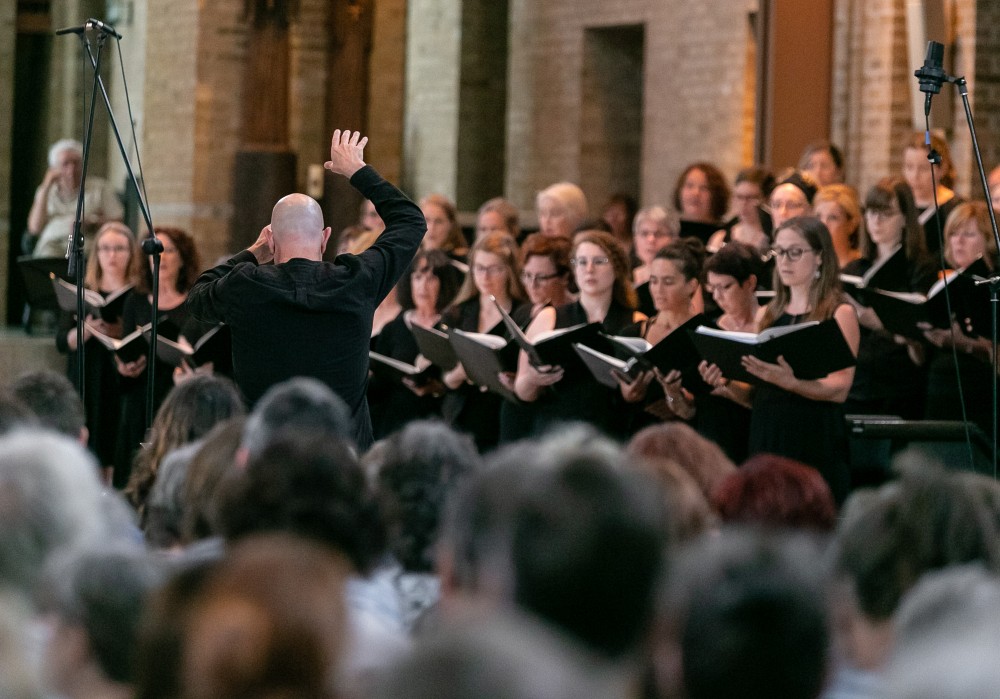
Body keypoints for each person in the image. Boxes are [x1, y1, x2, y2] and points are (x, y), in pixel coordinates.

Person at [187, 130, 426, 451]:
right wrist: (357, 170)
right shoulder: (357, 280)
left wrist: (254, 253)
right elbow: (410, 221)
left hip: (266, 457)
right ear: (325, 237)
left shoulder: (246, 285)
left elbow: (198, 297)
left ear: (271, 240)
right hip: (344, 457)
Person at [700, 216, 860, 504]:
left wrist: (791, 382)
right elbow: (757, 393)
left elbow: (839, 388)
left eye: (795, 252)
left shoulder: (839, 313)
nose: (784, 261)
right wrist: (725, 385)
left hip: (812, 436)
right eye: (779, 251)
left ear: (820, 257)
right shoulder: (770, 314)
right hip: (768, 432)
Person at [514, 229, 644, 440]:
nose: (589, 269)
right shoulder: (549, 318)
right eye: (582, 262)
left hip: (614, 433)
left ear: (617, 268)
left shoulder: (637, 321)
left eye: (599, 261)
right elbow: (522, 390)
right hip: (557, 433)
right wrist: (534, 379)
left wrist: (632, 394)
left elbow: (643, 394)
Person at [115, 226, 202, 487]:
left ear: (183, 258)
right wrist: (123, 366)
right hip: (140, 397)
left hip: (178, 400)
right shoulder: (136, 300)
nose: (160, 257)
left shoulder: (195, 302)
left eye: (168, 250)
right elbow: (127, 347)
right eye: (155, 251)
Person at [842, 179, 935, 421]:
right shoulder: (854, 269)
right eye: (871, 213)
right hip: (857, 386)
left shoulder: (919, 268)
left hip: (898, 388)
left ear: (905, 218)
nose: (876, 221)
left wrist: (880, 323)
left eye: (886, 214)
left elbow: (921, 338)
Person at [55, 221, 142, 474]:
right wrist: (85, 331)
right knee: (85, 446)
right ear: (96, 253)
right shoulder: (82, 291)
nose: (111, 255)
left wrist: (123, 331)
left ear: (131, 253)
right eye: (104, 248)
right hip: (86, 373)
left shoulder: (138, 295)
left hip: (120, 377)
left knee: (115, 442)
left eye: (119, 248)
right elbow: (61, 341)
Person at [440, 231, 527, 451]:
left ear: (509, 271)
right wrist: (458, 374)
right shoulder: (458, 313)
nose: (485, 277)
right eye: (479, 268)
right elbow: (445, 380)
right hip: (461, 420)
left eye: (494, 269)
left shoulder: (522, 315)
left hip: (501, 420)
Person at [368, 249, 462, 440]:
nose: (423, 286)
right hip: (393, 424)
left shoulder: (452, 325)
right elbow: (379, 382)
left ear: (443, 284)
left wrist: (437, 387)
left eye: (431, 279)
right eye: (418, 277)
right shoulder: (394, 327)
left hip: (436, 424)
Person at [922, 201, 999, 435]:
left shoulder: (992, 285)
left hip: (978, 391)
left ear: (989, 239)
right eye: (953, 233)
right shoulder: (942, 282)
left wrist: (963, 344)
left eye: (968, 234)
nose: (958, 240)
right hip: (939, 388)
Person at [26, 139, 123, 258]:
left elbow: (118, 223)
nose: (71, 169)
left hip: (87, 244)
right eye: (65, 164)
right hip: (52, 245)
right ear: (54, 169)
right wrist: (46, 186)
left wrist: (93, 223)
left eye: (76, 163)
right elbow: (35, 228)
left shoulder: (100, 188)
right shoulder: (46, 191)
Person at [902, 130, 961, 256]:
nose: (915, 176)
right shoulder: (899, 204)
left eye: (923, 168)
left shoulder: (955, 207)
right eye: (909, 167)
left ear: (942, 169)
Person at [707, 167, 775, 254]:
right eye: (739, 197)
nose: (743, 204)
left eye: (751, 197)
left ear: (766, 200)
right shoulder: (720, 239)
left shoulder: (776, 239)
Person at [631, 205, 680, 316]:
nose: (651, 240)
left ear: (674, 240)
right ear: (635, 239)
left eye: (659, 234)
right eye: (644, 233)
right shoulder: (625, 277)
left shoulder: (683, 278)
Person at [673, 162, 731, 243]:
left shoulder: (727, 236)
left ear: (717, 195)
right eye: (689, 186)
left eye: (704, 188)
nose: (695, 193)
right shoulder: (668, 233)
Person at [813, 184, 862, 268]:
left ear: (851, 224)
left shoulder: (862, 269)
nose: (823, 224)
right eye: (818, 217)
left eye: (832, 218)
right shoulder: (808, 267)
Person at [419, 193, 469, 260]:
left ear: (451, 225)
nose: (431, 228)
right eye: (426, 220)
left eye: (438, 221)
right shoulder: (409, 259)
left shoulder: (462, 262)